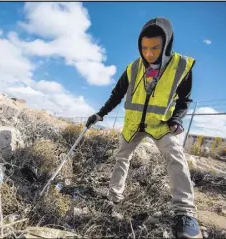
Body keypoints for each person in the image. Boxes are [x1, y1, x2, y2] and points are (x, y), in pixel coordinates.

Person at [86, 17, 202, 239]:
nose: (149, 53)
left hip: (161, 124)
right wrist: (100, 113)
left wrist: (177, 119)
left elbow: (184, 101)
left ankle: (185, 213)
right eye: (144, 48)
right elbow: (116, 95)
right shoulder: (133, 68)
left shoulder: (181, 66)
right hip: (132, 124)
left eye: (155, 48)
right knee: (122, 158)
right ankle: (114, 198)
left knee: (176, 157)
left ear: (166, 45)